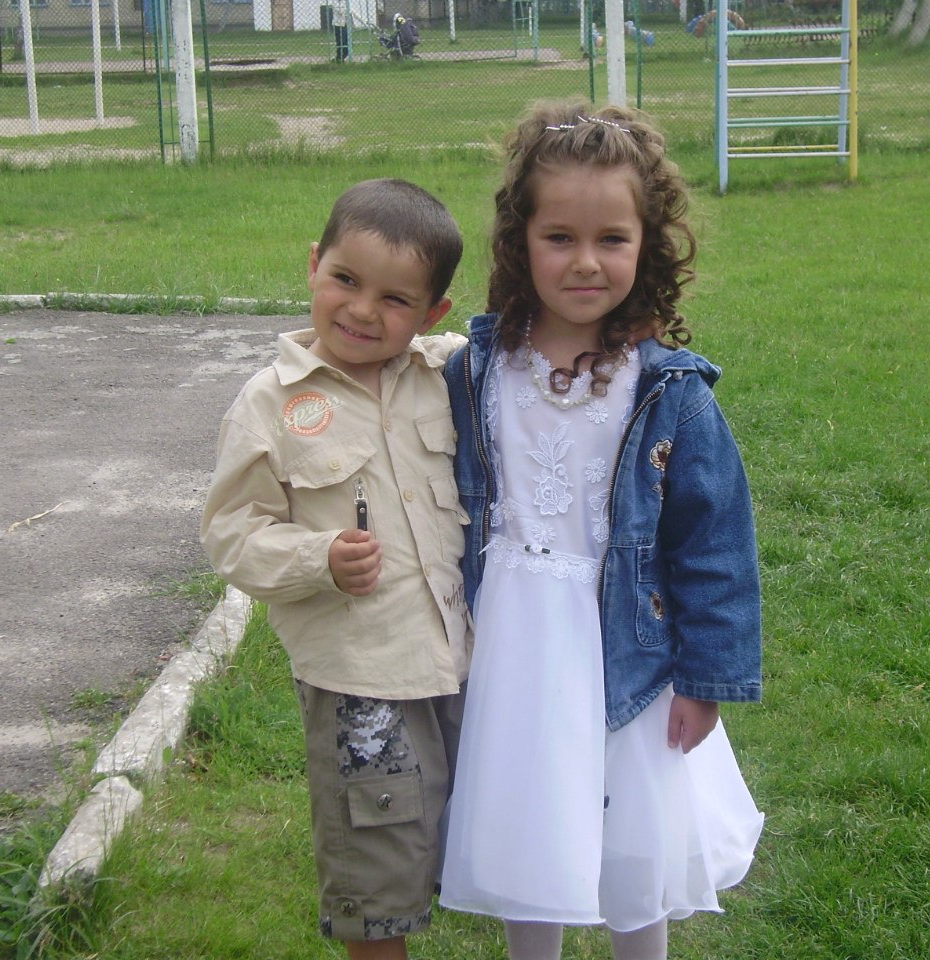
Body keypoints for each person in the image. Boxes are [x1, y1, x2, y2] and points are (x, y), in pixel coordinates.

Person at [439, 100, 765, 960]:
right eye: (560, 237)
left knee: (637, 845)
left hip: (631, 651)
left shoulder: (670, 394)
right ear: (520, 242)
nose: (586, 261)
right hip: (512, 649)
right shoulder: (476, 371)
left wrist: (707, 676)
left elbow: (714, 544)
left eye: (611, 239)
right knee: (528, 823)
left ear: (647, 246)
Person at [201, 178, 471, 960]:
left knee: (472, 840)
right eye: (345, 279)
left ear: (431, 315)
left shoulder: (447, 373)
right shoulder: (270, 404)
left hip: (463, 662)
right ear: (314, 263)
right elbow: (232, 534)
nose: (361, 310)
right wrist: (318, 558)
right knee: (376, 888)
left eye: (395, 299)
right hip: (361, 680)